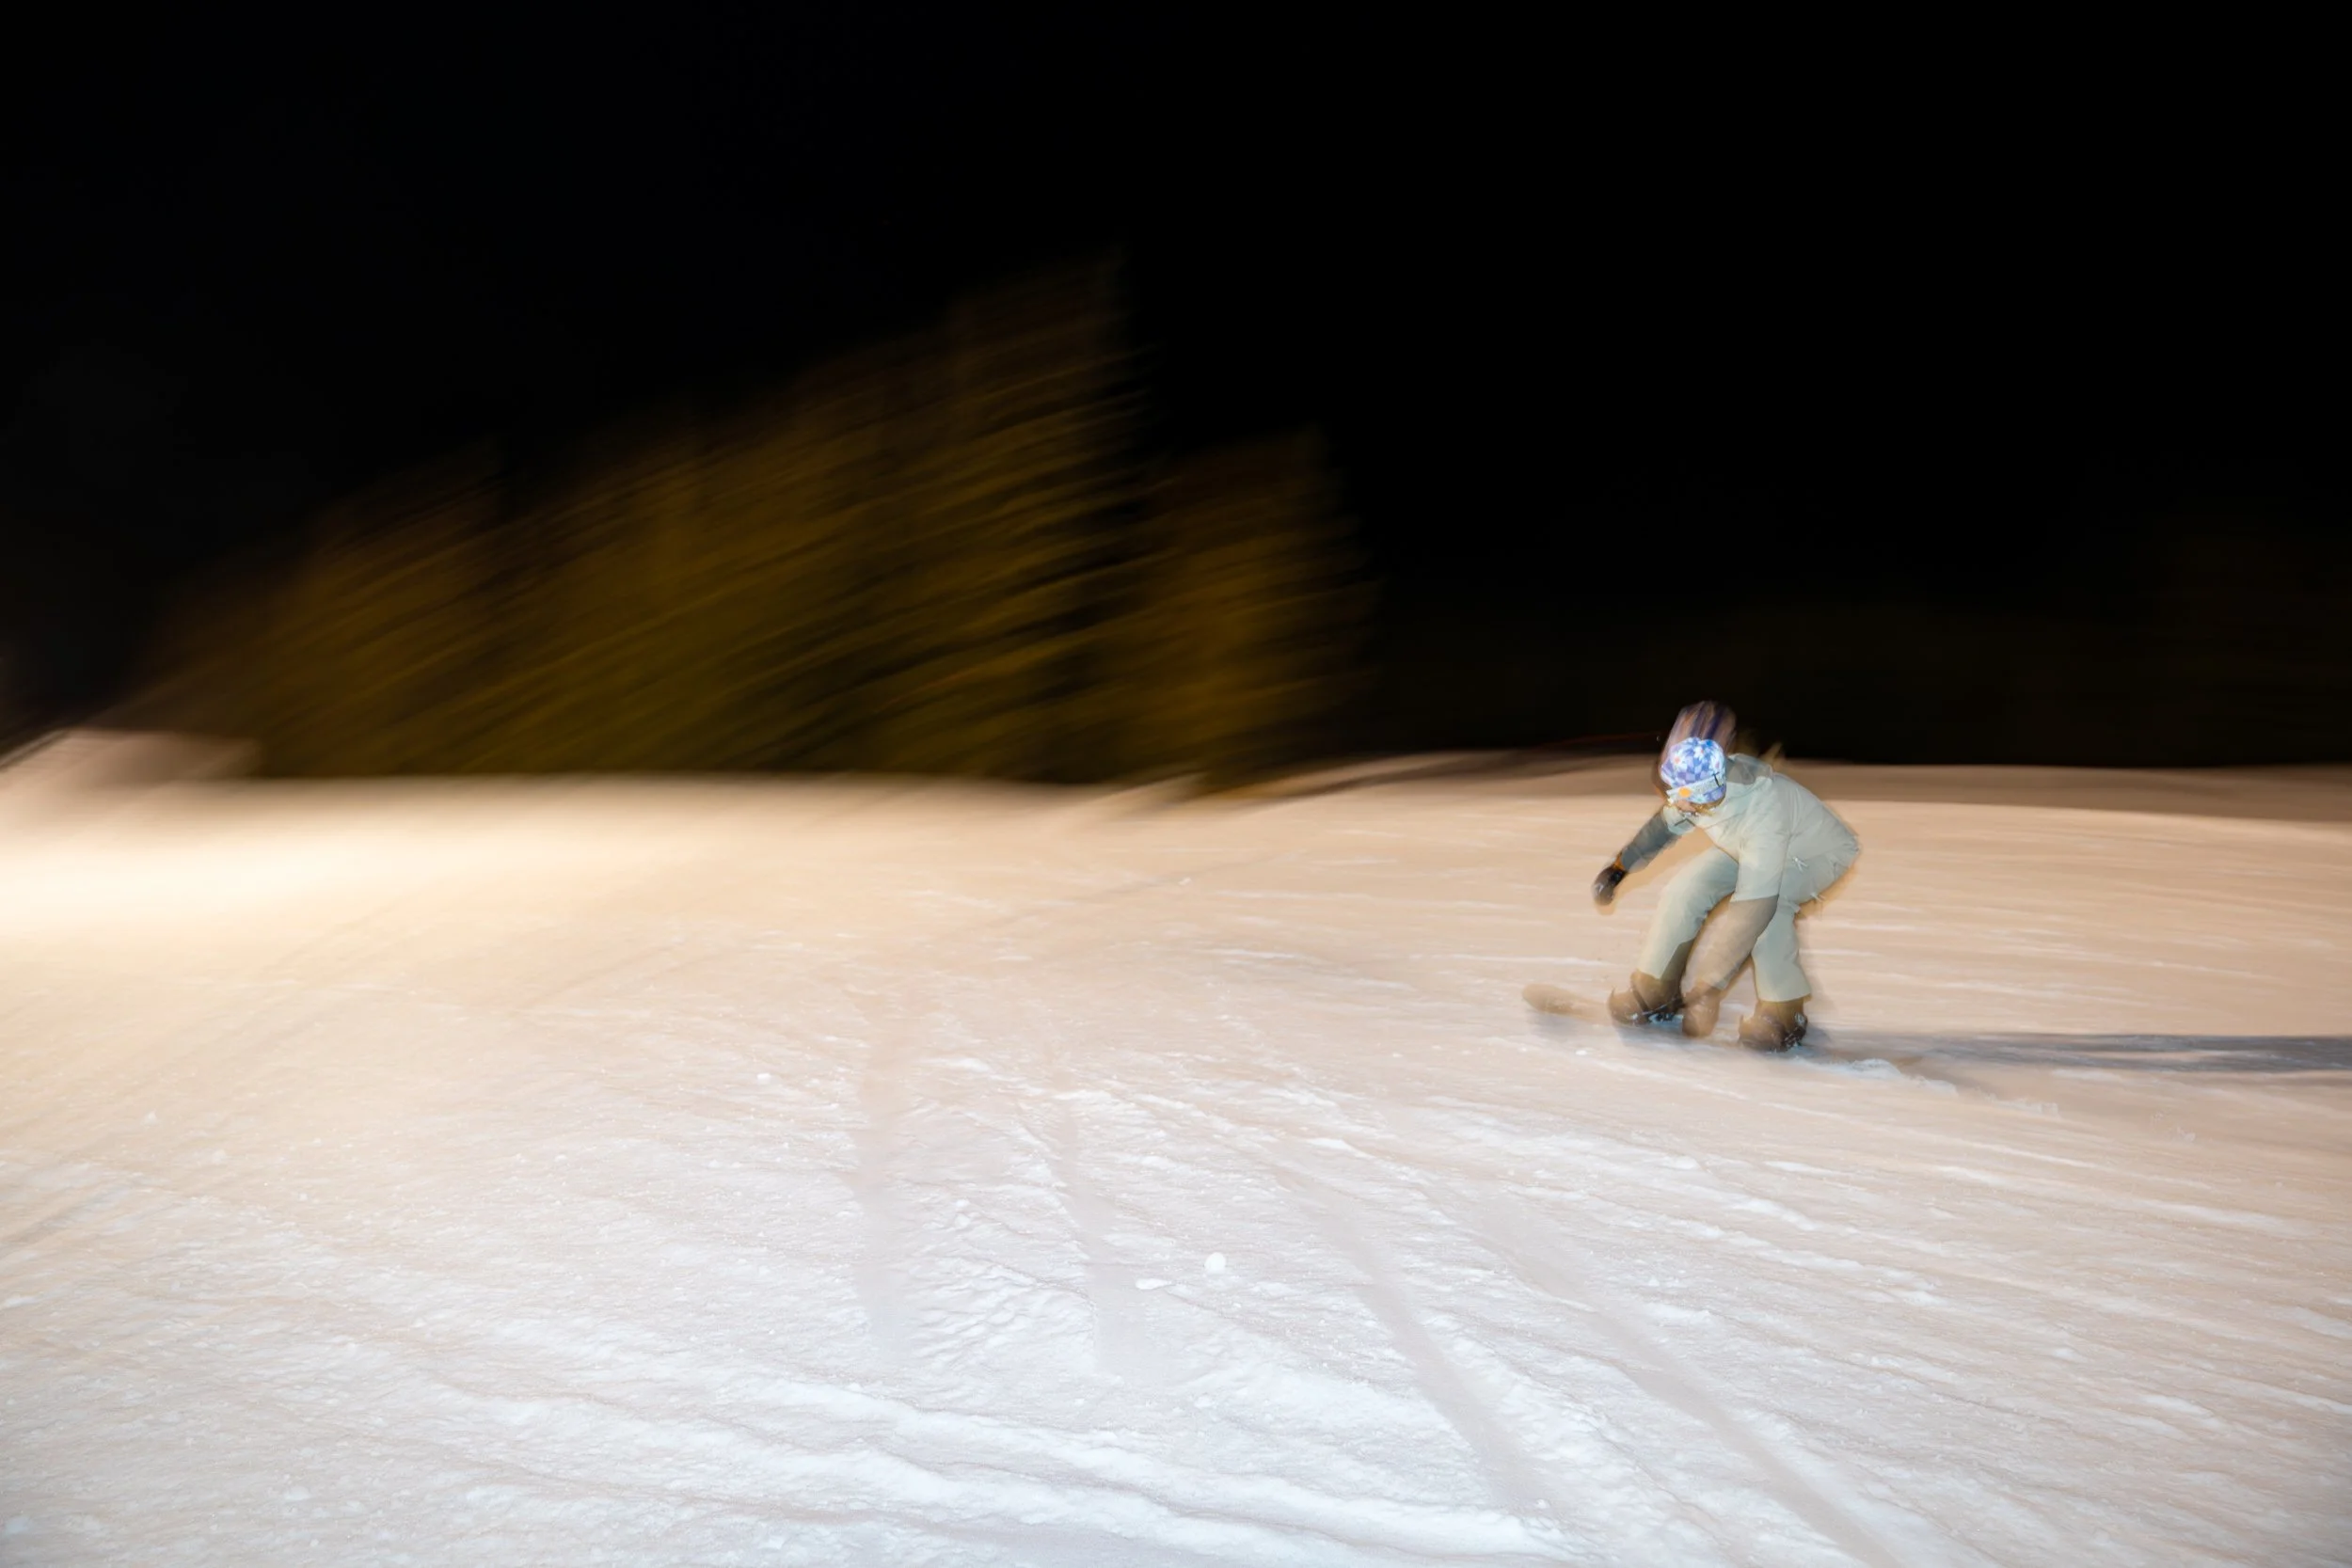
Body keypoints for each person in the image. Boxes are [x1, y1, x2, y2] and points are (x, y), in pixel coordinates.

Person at [1589, 704, 1859, 1050]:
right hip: (1746, 844)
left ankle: (1785, 1014)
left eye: (1684, 796)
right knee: (1685, 889)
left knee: (1772, 910)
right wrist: (1619, 868)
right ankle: (1655, 990)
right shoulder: (1695, 786)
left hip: (1815, 853)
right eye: (1674, 791)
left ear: (1706, 792)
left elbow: (1752, 910)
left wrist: (1707, 990)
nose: (1676, 803)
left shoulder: (1762, 810)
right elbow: (1662, 827)